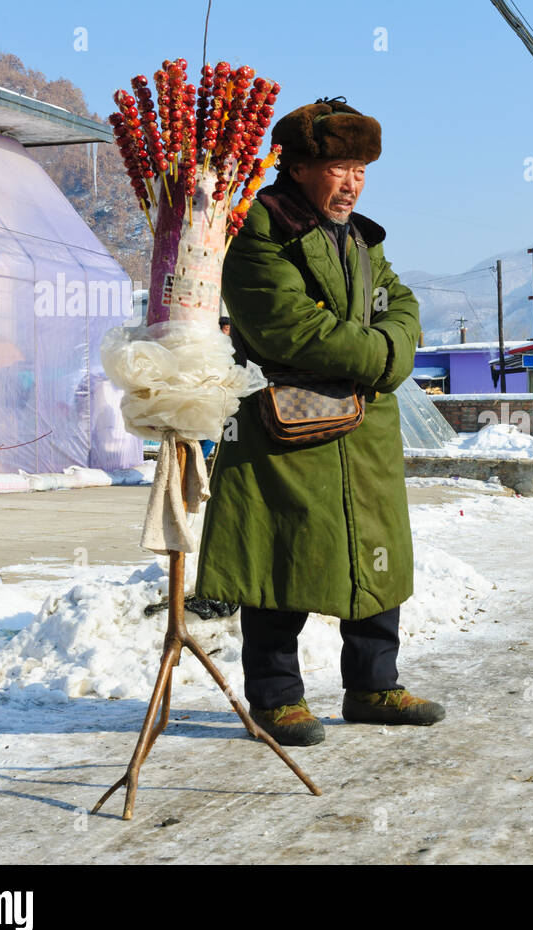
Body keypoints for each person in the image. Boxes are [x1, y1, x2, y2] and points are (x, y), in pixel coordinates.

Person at [195, 97, 443, 747]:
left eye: (361, 167)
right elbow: (287, 326)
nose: (353, 181)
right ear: (300, 165)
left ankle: (373, 686)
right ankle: (276, 699)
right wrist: (387, 355)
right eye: (340, 166)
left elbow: (402, 303)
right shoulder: (257, 231)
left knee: (376, 556)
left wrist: (390, 342)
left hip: (364, 428)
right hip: (285, 427)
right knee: (281, 558)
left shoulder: (360, 239)